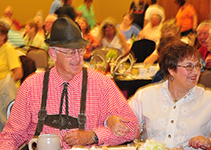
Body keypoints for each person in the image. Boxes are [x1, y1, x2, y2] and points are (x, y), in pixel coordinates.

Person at [0, 17, 139, 149]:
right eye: (71, 53)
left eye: (80, 51)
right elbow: (10, 137)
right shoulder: (31, 86)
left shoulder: (101, 84)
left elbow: (133, 128)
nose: (78, 58)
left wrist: (93, 136)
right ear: (53, 54)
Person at [108, 40, 211, 149]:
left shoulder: (207, 100)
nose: (196, 72)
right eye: (189, 66)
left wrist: (208, 142)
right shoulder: (145, 96)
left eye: (198, 66)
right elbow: (122, 123)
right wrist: (111, 121)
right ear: (171, 69)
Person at [0, 18, 23, 132]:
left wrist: (3, 84)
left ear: (3, 36)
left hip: (5, 92)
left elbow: (18, 73)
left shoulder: (8, 49)